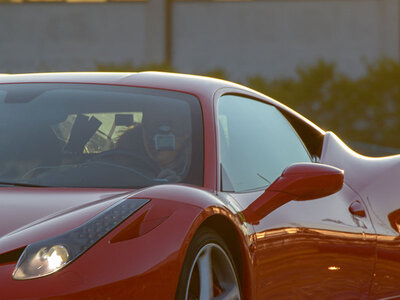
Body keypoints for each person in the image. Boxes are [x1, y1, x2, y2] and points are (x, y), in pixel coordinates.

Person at [116, 105, 191, 182]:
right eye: (151, 126)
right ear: (143, 130)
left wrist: (178, 186)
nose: (155, 137)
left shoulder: (198, 167)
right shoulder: (124, 162)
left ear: (185, 133)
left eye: (166, 126)